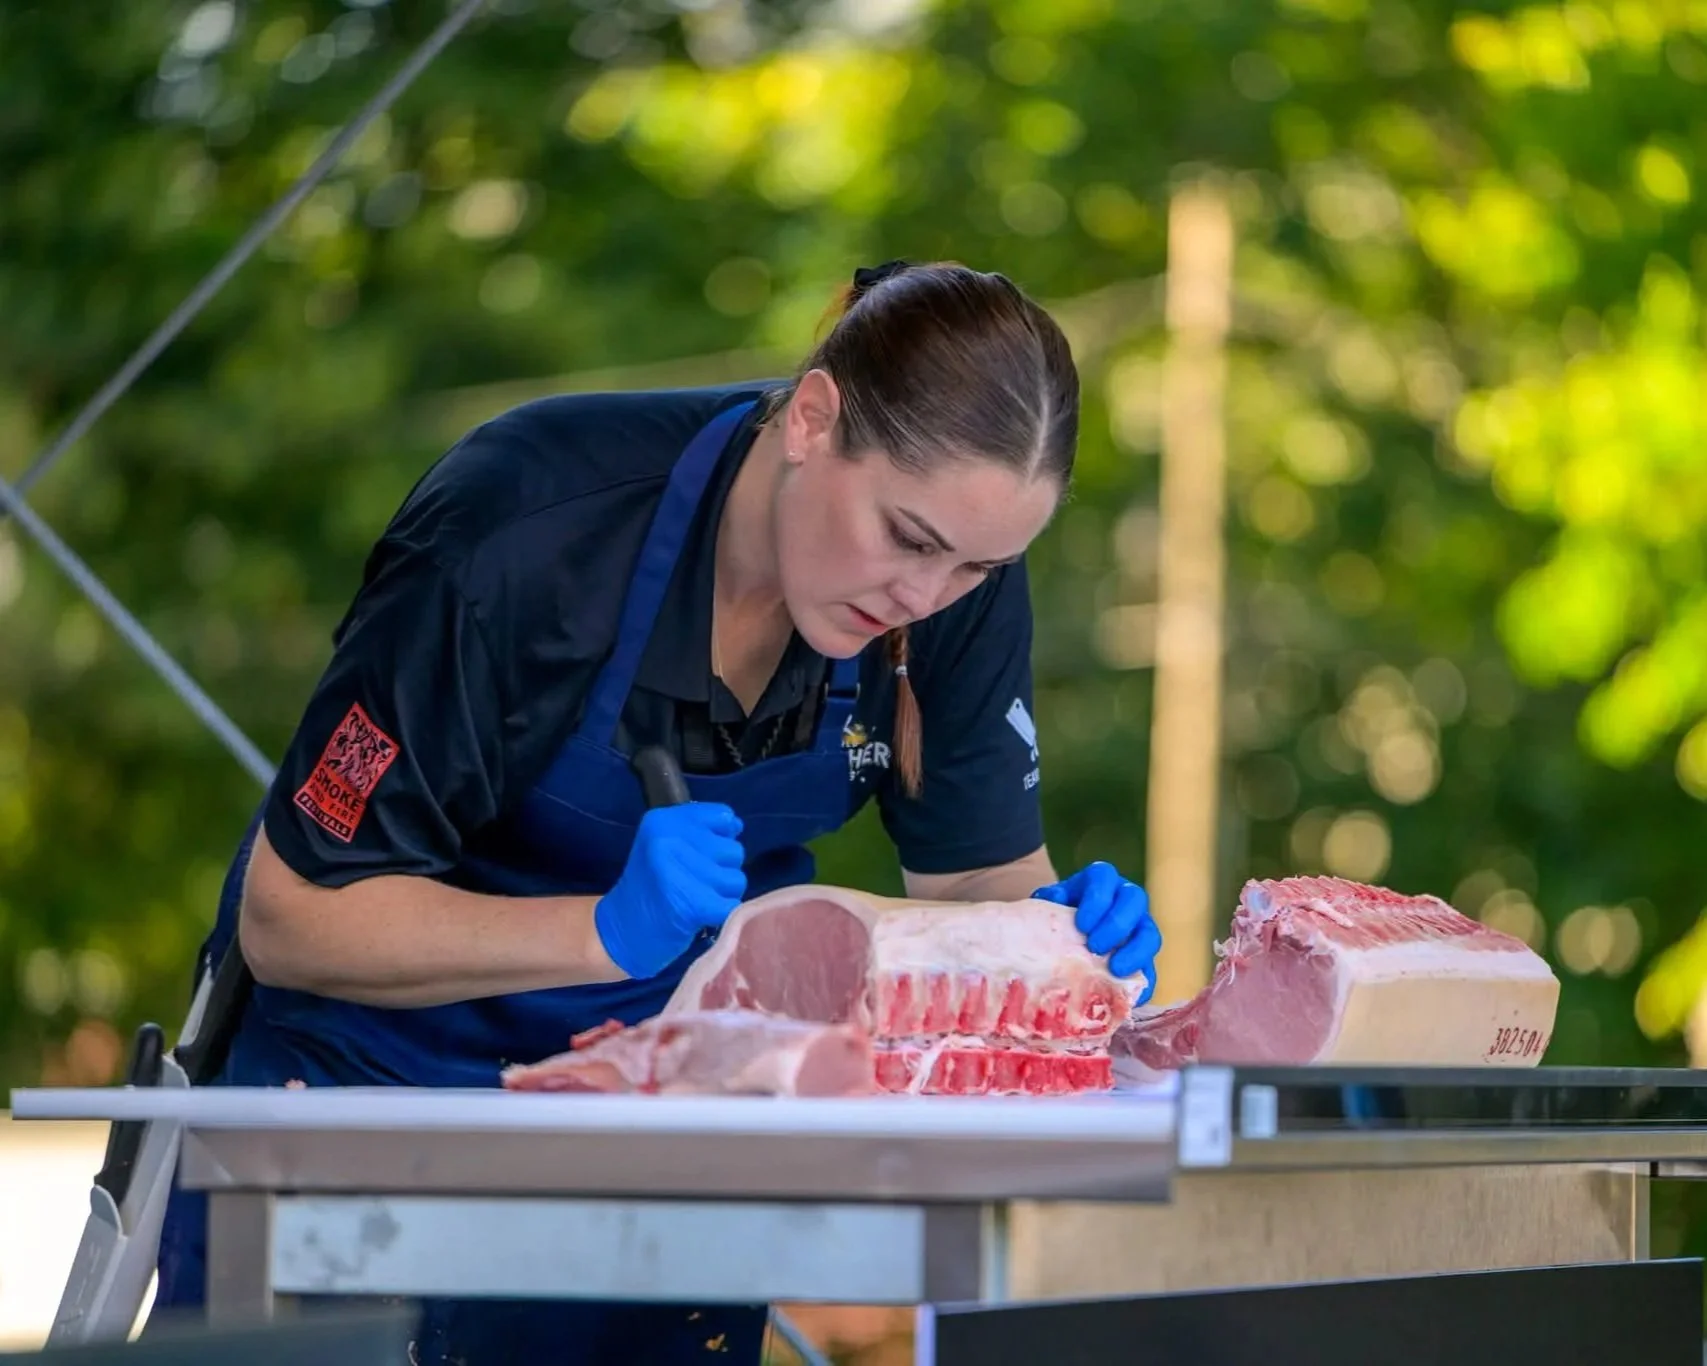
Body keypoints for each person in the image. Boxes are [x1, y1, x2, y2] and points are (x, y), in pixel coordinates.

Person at [148, 259, 1163, 1364]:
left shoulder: (950, 579)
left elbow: (975, 877)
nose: (924, 597)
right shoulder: (519, 524)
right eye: (908, 539)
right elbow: (292, 918)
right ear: (815, 418)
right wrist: (600, 930)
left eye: (981, 565)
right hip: (362, 1143)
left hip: (657, 1163)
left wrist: (1049, 940)